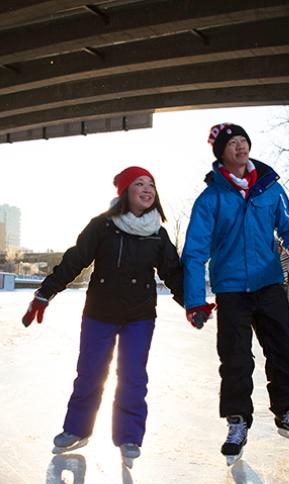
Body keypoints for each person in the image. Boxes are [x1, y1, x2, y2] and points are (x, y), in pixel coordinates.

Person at [22, 166, 185, 466]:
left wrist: (193, 303)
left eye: (151, 184)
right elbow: (74, 261)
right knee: (91, 372)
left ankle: (129, 436)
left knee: (133, 375)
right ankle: (77, 429)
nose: (148, 189)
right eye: (139, 184)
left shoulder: (158, 234)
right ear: (125, 191)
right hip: (100, 311)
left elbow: (173, 273)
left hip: (140, 314)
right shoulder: (102, 226)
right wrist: (45, 292)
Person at [181, 123, 289, 464]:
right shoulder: (211, 198)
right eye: (233, 144)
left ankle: (287, 411)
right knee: (236, 358)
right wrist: (195, 299)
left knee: (284, 347)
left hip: (268, 282)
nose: (241, 147)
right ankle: (237, 421)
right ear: (221, 154)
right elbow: (195, 252)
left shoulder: (270, 188)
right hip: (231, 290)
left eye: (244, 141)